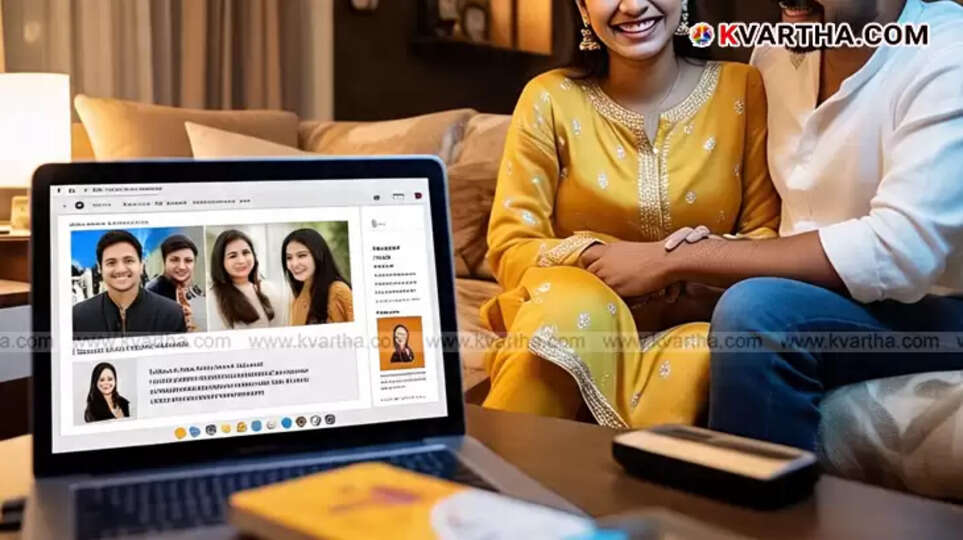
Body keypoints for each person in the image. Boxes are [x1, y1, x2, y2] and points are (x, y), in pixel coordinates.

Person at [590, 0, 963, 450]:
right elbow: (778, 221)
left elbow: (899, 252)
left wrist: (681, 258)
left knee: (759, 312)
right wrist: (702, 276)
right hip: (829, 300)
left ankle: (752, 520)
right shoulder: (774, 52)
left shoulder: (948, 53)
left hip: (942, 311)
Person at [480, 0, 782, 428]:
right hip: (568, 319)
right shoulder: (549, 98)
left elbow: (766, 237)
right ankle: (492, 487)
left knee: (706, 357)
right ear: (583, 7)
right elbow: (511, 247)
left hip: (698, 322)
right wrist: (594, 256)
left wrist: (678, 264)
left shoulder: (743, 89)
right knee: (566, 317)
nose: (634, 5)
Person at [72, 230, 187, 339]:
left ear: (141, 265)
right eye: (111, 262)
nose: (121, 269)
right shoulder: (79, 316)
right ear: (100, 268)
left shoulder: (171, 313)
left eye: (128, 261)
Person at [209, 229, 287, 330]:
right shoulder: (213, 297)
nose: (241, 260)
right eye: (232, 256)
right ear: (220, 261)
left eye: (246, 253)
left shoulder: (268, 288)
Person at [282, 228, 354, 325]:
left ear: (318, 255)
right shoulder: (297, 298)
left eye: (302, 255)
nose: (294, 264)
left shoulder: (338, 291)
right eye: (289, 257)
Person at [146, 234, 206, 332]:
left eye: (188, 261)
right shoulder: (154, 292)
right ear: (164, 261)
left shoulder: (177, 288)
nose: (182, 266)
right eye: (174, 260)